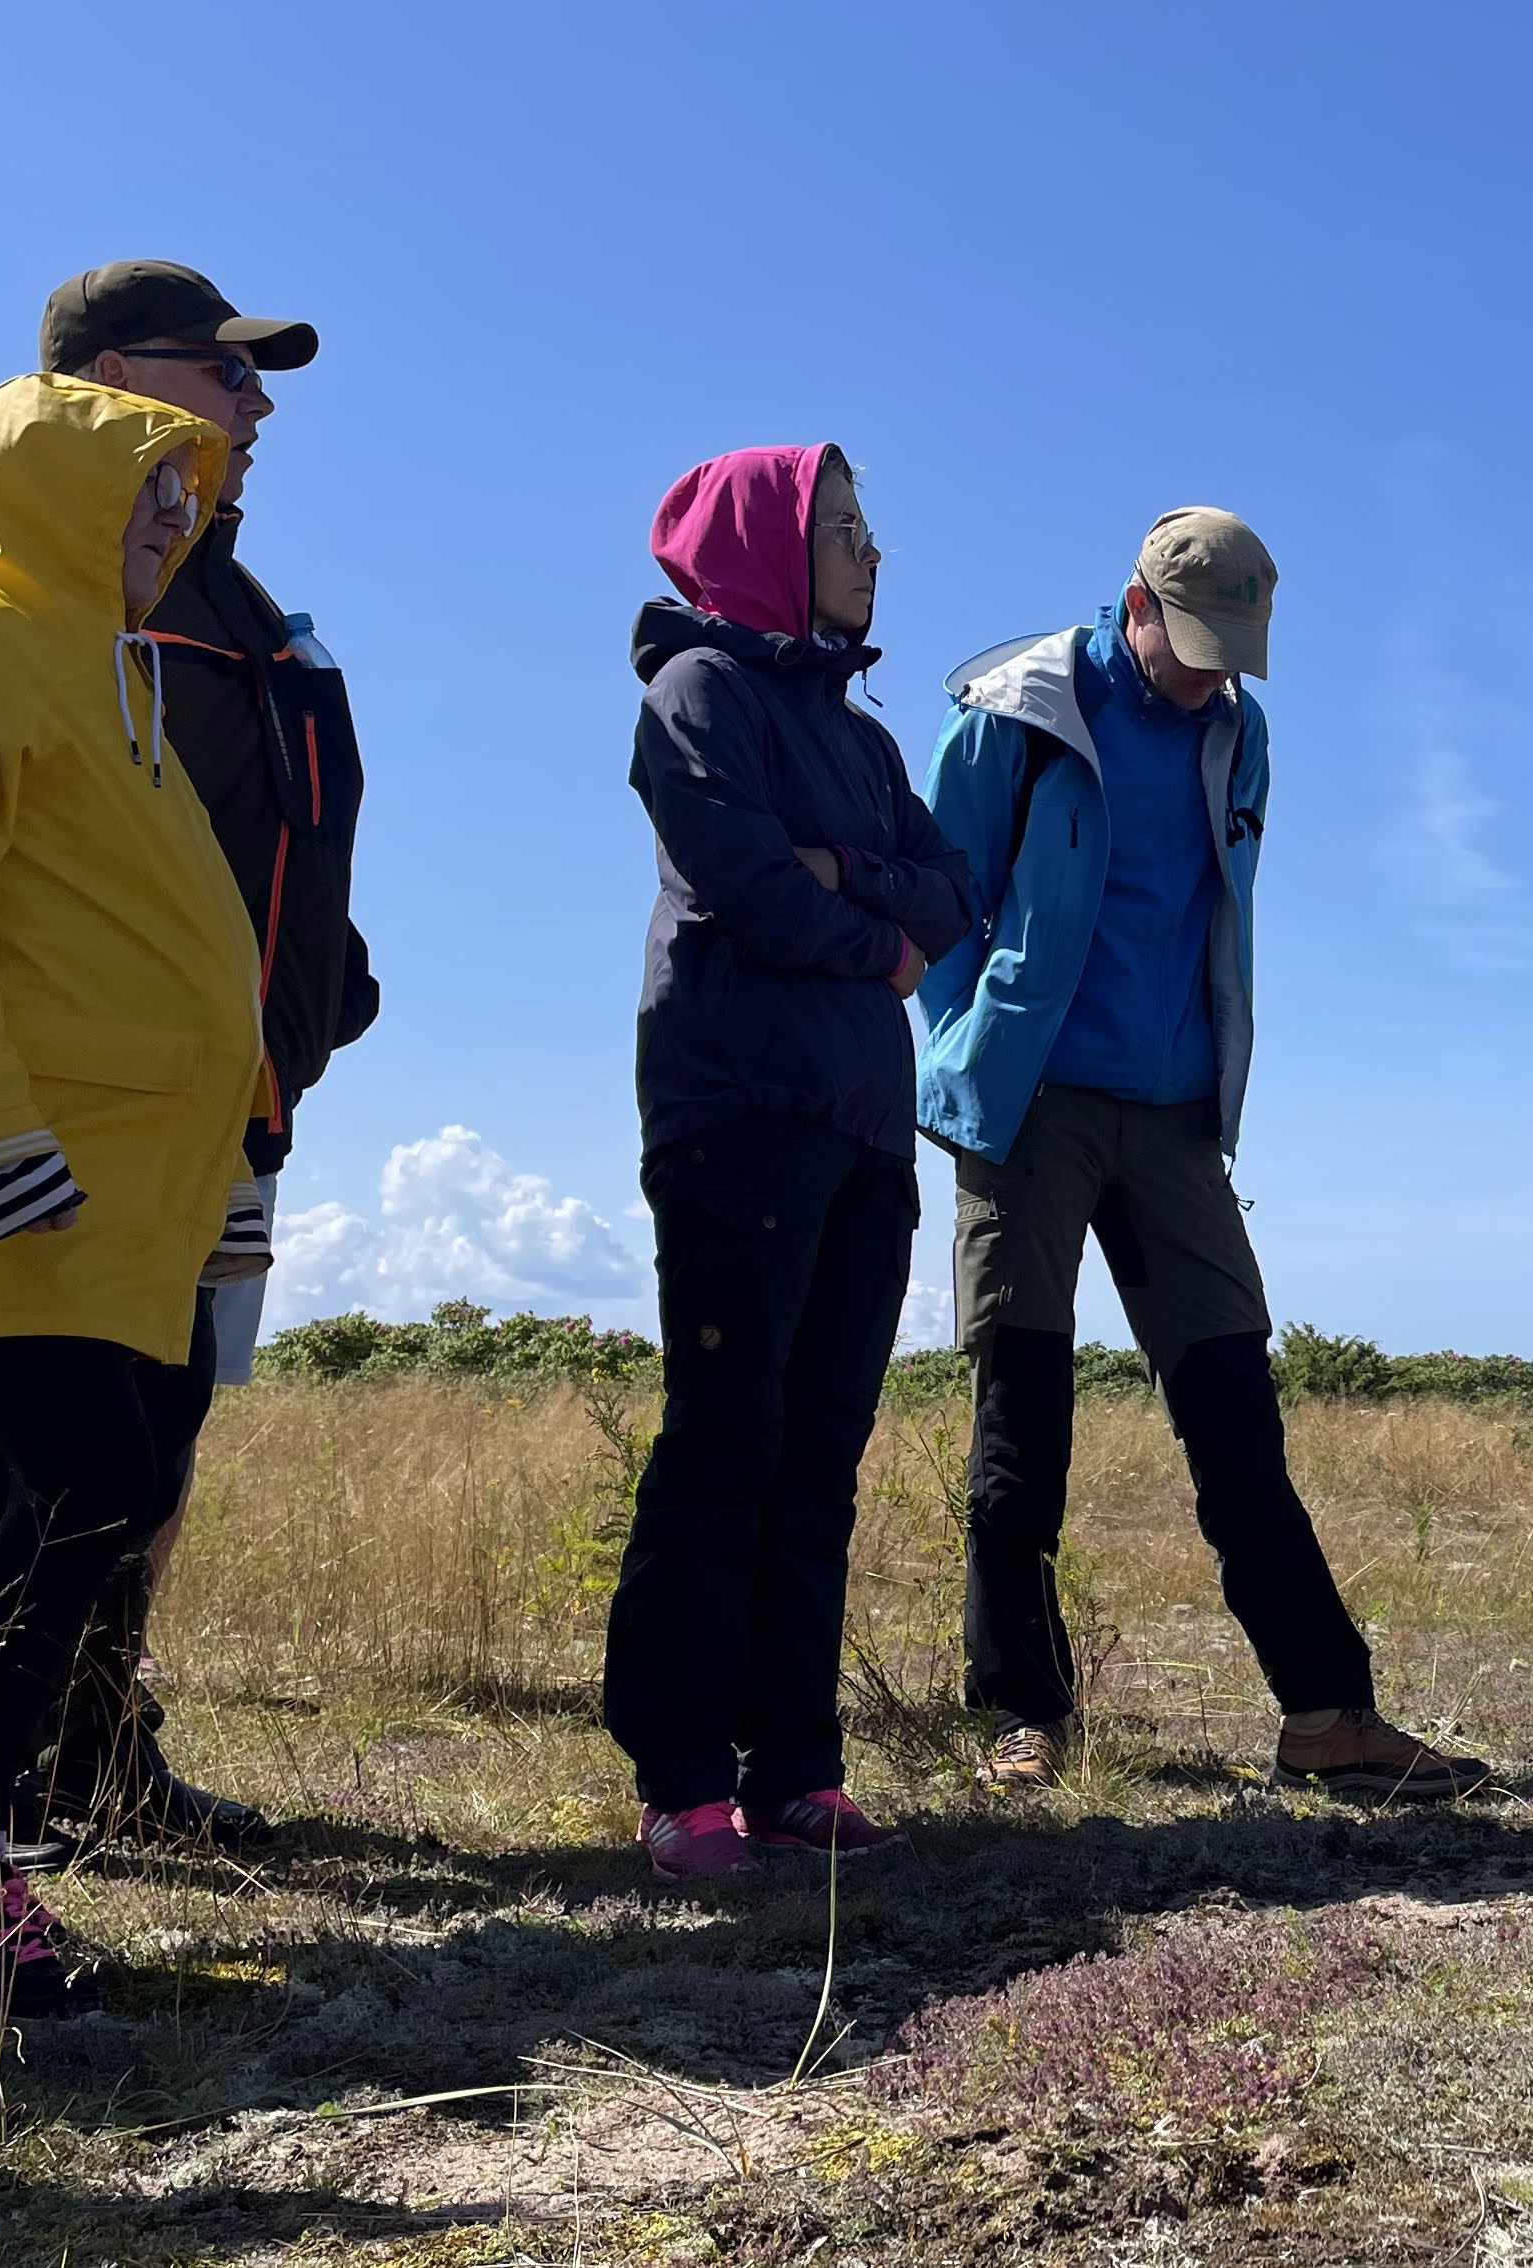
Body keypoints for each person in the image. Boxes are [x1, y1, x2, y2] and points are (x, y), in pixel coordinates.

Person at [0, 262, 363, 1857]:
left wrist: (314, 994)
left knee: (145, 1463)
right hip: (48, 1138)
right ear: (95, 375)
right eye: (219, 371)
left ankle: (88, 1759)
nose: (253, 404)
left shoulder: (221, 605)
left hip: (218, 1116)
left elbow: (246, 843)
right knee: (14, 1475)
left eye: (253, 383)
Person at [918, 509, 1492, 1804]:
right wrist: (968, 1047)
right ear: (1132, 604)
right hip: (1032, 1107)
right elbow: (939, 902)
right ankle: (1022, 1716)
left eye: (1229, 649)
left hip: (1176, 1118)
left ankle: (1329, 1717)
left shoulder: (1243, 731)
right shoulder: (1019, 713)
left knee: (1238, 1416)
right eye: (1186, 642)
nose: (1205, 671)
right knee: (1026, 1422)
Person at [0, 371, 272, 2016]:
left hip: (134, 1190)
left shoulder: (118, 680)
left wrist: (224, 1175)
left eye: (190, 492)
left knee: (102, 1477)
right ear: (61, 488)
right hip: (15, 1174)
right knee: (74, 1480)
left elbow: (179, 964)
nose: (181, 517)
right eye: (153, 484)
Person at [605, 444, 972, 1880]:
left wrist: (863, 888)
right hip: (740, 1111)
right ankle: (685, 1782)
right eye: (843, 529)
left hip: (869, 1131)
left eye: (871, 528)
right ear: (765, 542)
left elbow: (959, 891)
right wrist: (878, 934)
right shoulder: (697, 696)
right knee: (726, 1441)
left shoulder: (866, 739)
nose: (872, 555)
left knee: (822, 1452)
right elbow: (741, 885)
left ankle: (795, 1773)